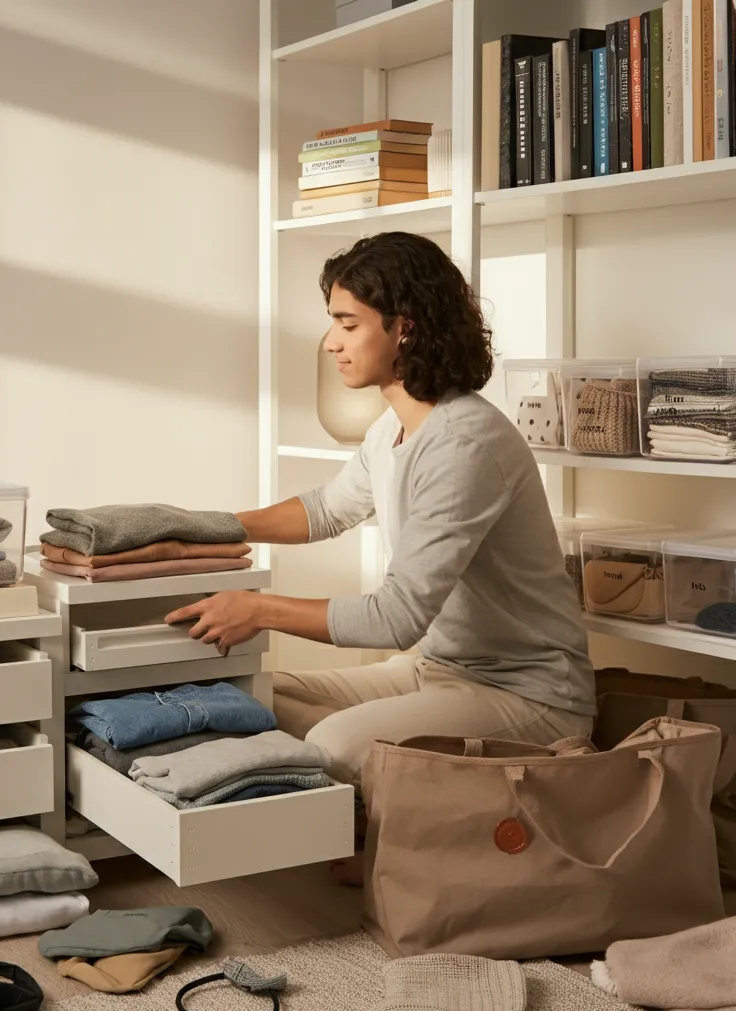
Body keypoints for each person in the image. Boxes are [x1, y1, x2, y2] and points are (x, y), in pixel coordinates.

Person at [166, 231, 595, 877]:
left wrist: (256, 608)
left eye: (347, 322)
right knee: (252, 696)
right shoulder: (394, 425)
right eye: (332, 322)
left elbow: (394, 618)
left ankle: (464, 815)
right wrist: (203, 527)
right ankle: (392, 815)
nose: (331, 342)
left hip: (530, 693)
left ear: (406, 329)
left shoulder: (465, 443)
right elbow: (328, 509)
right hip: (440, 670)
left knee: (332, 745)